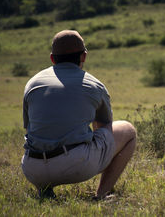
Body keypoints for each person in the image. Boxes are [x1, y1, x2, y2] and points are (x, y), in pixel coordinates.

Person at [21, 30, 136, 200]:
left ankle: (44, 191)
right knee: (129, 130)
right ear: (84, 56)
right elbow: (104, 127)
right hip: (76, 166)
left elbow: (30, 127)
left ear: (52, 58)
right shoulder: (94, 84)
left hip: (32, 168)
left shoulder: (32, 83)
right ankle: (101, 194)